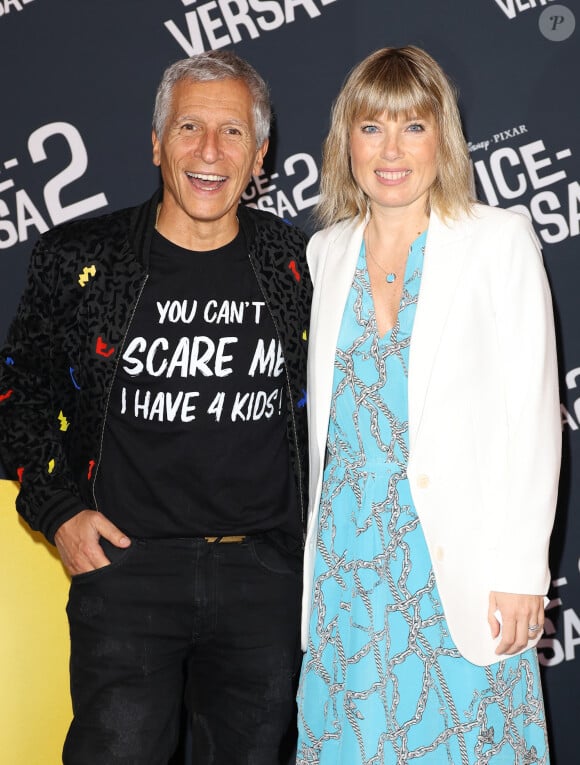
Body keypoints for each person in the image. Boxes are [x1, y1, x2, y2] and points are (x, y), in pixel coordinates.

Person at [0, 50, 311, 764]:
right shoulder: (82, 260)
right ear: (154, 142)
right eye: (189, 128)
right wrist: (57, 511)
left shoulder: (298, 269)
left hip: (260, 579)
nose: (209, 151)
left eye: (232, 132)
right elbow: (19, 393)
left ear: (260, 153)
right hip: (127, 574)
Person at [296, 46, 560, 764]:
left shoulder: (495, 240)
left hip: (458, 568)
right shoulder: (326, 253)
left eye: (412, 127)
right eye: (371, 127)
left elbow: (532, 418)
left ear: (441, 137)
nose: (390, 149)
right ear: (344, 139)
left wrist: (522, 571)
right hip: (346, 573)